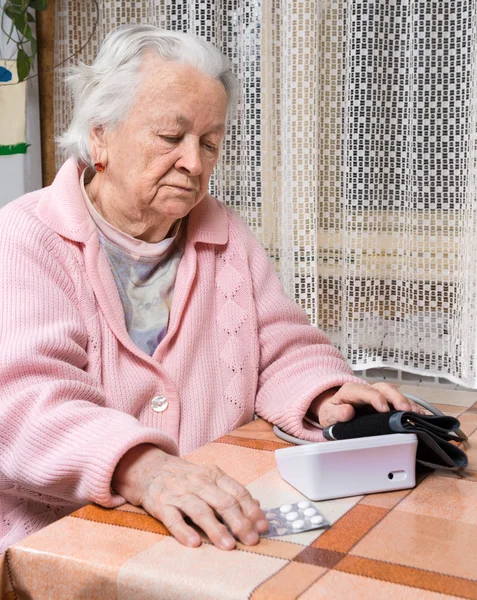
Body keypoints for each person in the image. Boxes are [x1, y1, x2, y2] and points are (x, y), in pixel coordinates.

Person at [0, 24, 421, 555]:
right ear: (100, 134)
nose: (195, 163)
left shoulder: (224, 233)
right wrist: (144, 469)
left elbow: (279, 349)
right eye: (171, 138)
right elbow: (20, 398)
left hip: (205, 526)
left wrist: (326, 395)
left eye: (209, 142)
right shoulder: (24, 237)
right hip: (61, 536)